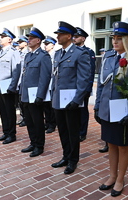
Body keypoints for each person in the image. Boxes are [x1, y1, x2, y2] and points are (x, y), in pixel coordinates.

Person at [94, 21, 128, 197]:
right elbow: (102, 84)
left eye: (119, 39)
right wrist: (97, 107)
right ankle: (112, 175)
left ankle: (120, 179)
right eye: (113, 39)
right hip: (108, 110)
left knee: (123, 145)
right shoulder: (108, 57)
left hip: (124, 112)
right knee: (111, 144)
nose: (115, 42)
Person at [51, 21, 90, 174]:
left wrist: (77, 100)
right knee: (62, 130)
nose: (58, 37)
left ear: (68, 36)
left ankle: (73, 160)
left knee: (72, 132)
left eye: (60, 35)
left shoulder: (80, 53)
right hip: (59, 99)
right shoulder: (58, 53)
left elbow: (84, 79)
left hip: (72, 101)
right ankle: (65, 156)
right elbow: (56, 77)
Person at [20, 27, 52, 157]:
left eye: (31, 38)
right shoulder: (28, 55)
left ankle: (39, 145)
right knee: (29, 120)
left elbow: (45, 77)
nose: (29, 40)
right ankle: (33, 142)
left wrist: (40, 95)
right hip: (26, 94)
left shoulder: (43, 56)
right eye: (28, 38)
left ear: (38, 40)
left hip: (36, 95)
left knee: (37, 121)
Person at [0, 28, 21, 144]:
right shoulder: (0, 52)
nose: (0, 39)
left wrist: (13, 86)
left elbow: (16, 70)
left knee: (9, 111)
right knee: (2, 111)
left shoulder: (13, 52)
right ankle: (5, 132)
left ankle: (11, 134)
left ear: (9, 39)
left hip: (8, 86)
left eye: (3, 37)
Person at [73, 27, 96, 142]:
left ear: (83, 38)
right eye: (73, 36)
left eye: (76, 37)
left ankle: (82, 132)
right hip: (72, 87)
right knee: (74, 110)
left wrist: (87, 88)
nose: (74, 39)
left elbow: (90, 72)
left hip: (83, 87)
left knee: (82, 110)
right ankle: (75, 130)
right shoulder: (71, 51)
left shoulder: (88, 52)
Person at [43, 36, 57, 134]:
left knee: (51, 105)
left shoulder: (56, 55)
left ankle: (52, 124)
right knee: (45, 105)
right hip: (45, 83)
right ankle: (47, 122)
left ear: (52, 45)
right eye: (45, 44)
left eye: (47, 44)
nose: (45, 46)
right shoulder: (44, 55)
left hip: (52, 82)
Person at [16, 35, 29, 127]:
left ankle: (26, 118)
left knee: (24, 102)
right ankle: (22, 117)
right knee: (20, 101)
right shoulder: (19, 53)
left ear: (25, 43)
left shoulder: (27, 53)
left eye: (21, 42)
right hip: (19, 80)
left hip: (24, 81)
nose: (19, 44)